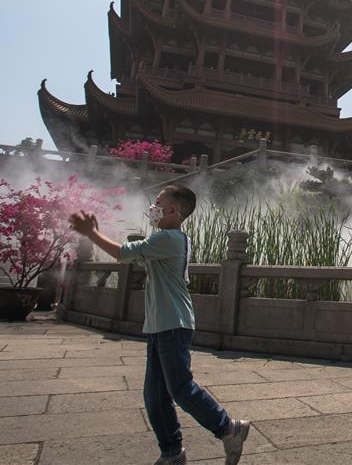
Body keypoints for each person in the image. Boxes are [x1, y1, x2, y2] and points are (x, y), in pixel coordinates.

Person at [69, 185, 250, 465]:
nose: (152, 208)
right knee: (154, 396)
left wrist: (92, 234)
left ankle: (228, 428)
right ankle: (172, 452)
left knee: (180, 388)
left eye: (157, 203)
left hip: (173, 324)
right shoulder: (166, 239)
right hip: (161, 325)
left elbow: (123, 253)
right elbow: (133, 254)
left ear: (173, 210)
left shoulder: (169, 239)